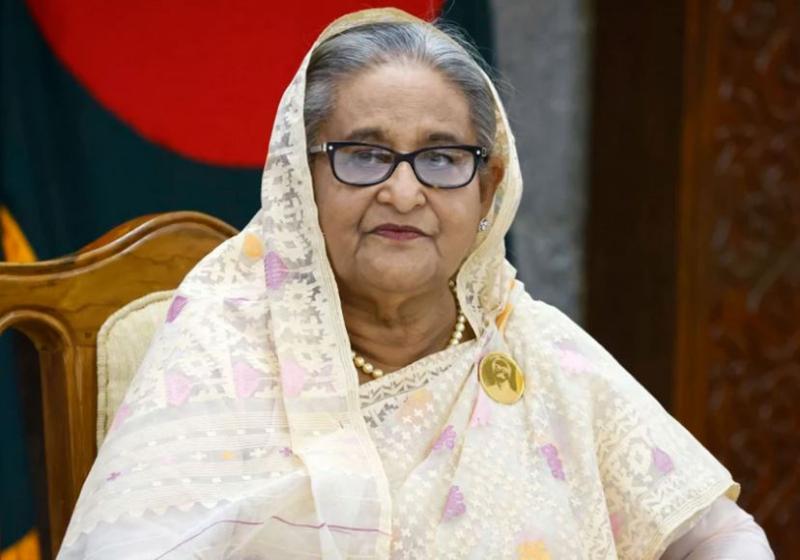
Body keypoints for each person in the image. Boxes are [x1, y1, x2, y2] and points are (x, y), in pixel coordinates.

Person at [58, 8, 773, 559]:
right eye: (364, 155)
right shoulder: (221, 351)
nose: (403, 193)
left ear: (488, 187)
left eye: (442, 158)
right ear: (300, 178)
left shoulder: (533, 348)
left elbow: (718, 534)